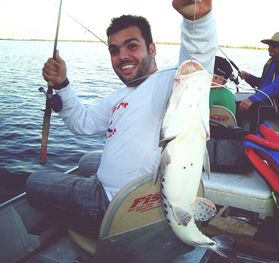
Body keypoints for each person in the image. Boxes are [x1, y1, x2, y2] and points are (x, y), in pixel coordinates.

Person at [25, 0, 218, 238]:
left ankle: (89, 222)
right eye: (114, 50)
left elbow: (196, 64)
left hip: (116, 203)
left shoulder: (170, 83)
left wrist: (196, 21)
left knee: (33, 182)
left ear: (152, 49)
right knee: (87, 161)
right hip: (127, 185)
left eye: (131, 46)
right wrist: (63, 84)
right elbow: (82, 123)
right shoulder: (120, 95)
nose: (122, 56)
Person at [236, 31, 279, 133]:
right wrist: (248, 77)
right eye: (269, 45)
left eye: (274, 46)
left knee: (256, 108)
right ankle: (238, 134)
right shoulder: (271, 63)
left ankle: (254, 141)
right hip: (268, 100)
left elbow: (275, 87)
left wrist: (252, 99)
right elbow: (263, 84)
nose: (270, 48)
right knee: (237, 106)